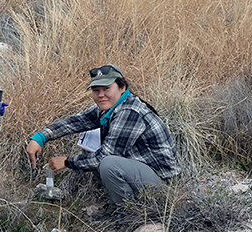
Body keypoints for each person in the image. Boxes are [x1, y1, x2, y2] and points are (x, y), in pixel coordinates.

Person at [25, 64, 180, 216]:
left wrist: (66, 162)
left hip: (163, 185)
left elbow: (102, 158)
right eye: (96, 90)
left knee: (107, 163)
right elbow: (76, 122)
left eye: (106, 89)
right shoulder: (111, 106)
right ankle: (116, 205)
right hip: (141, 172)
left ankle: (130, 215)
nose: (101, 95)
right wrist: (41, 137)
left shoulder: (129, 112)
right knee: (96, 155)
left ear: (122, 87)